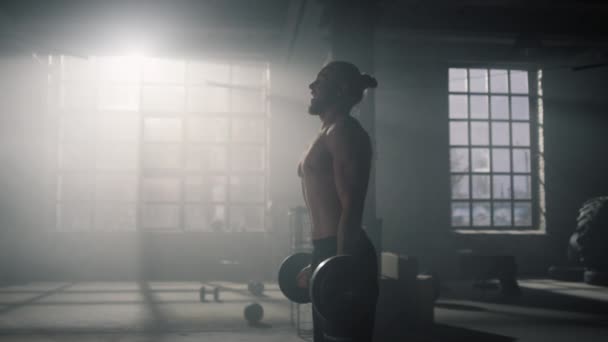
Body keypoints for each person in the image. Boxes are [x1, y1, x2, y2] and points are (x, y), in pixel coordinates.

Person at [296, 61, 379, 342]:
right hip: (328, 250)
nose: (312, 86)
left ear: (341, 89)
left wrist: (342, 266)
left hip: (346, 252)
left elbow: (352, 207)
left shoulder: (345, 132)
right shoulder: (324, 134)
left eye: (321, 80)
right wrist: (317, 260)